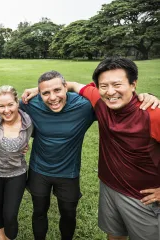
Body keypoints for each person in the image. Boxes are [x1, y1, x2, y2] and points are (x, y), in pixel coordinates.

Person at [68, 57, 160, 240]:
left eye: (117, 84)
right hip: (109, 186)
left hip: (142, 197)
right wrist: (36, 90)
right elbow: (72, 85)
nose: (110, 92)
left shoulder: (153, 114)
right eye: (104, 86)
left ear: (133, 85)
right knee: (114, 235)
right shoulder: (100, 102)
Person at [0, 85, 33, 240]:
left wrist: (26, 144)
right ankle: (1, 237)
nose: (6, 110)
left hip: (17, 173)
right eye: (1, 106)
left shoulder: (28, 121)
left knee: (10, 214)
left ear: (17, 103)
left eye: (10, 104)